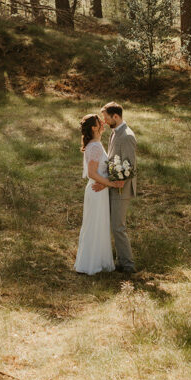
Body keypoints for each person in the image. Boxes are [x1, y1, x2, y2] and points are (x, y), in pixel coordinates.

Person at [74, 114, 122, 275]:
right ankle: (91, 264)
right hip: (96, 190)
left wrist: (106, 183)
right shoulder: (94, 146)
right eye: (99, 122)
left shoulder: (96, 144)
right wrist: (110, 184)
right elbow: (92, 173)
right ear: (94, 128)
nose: (103, 123)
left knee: (100, 225)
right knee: (94, 225)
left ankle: (99, 261)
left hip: (99, 190)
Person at [94, 102, 137, 274]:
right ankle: (120, 261)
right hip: (113, 185)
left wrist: (110, 182)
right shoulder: (115, 133)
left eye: (106, 118)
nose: (104, 121)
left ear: (116, 117)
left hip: (122, 188)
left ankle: (128, 266)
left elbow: (130, 166)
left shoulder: (127, 136)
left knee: (118, 227)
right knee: (114, 226)